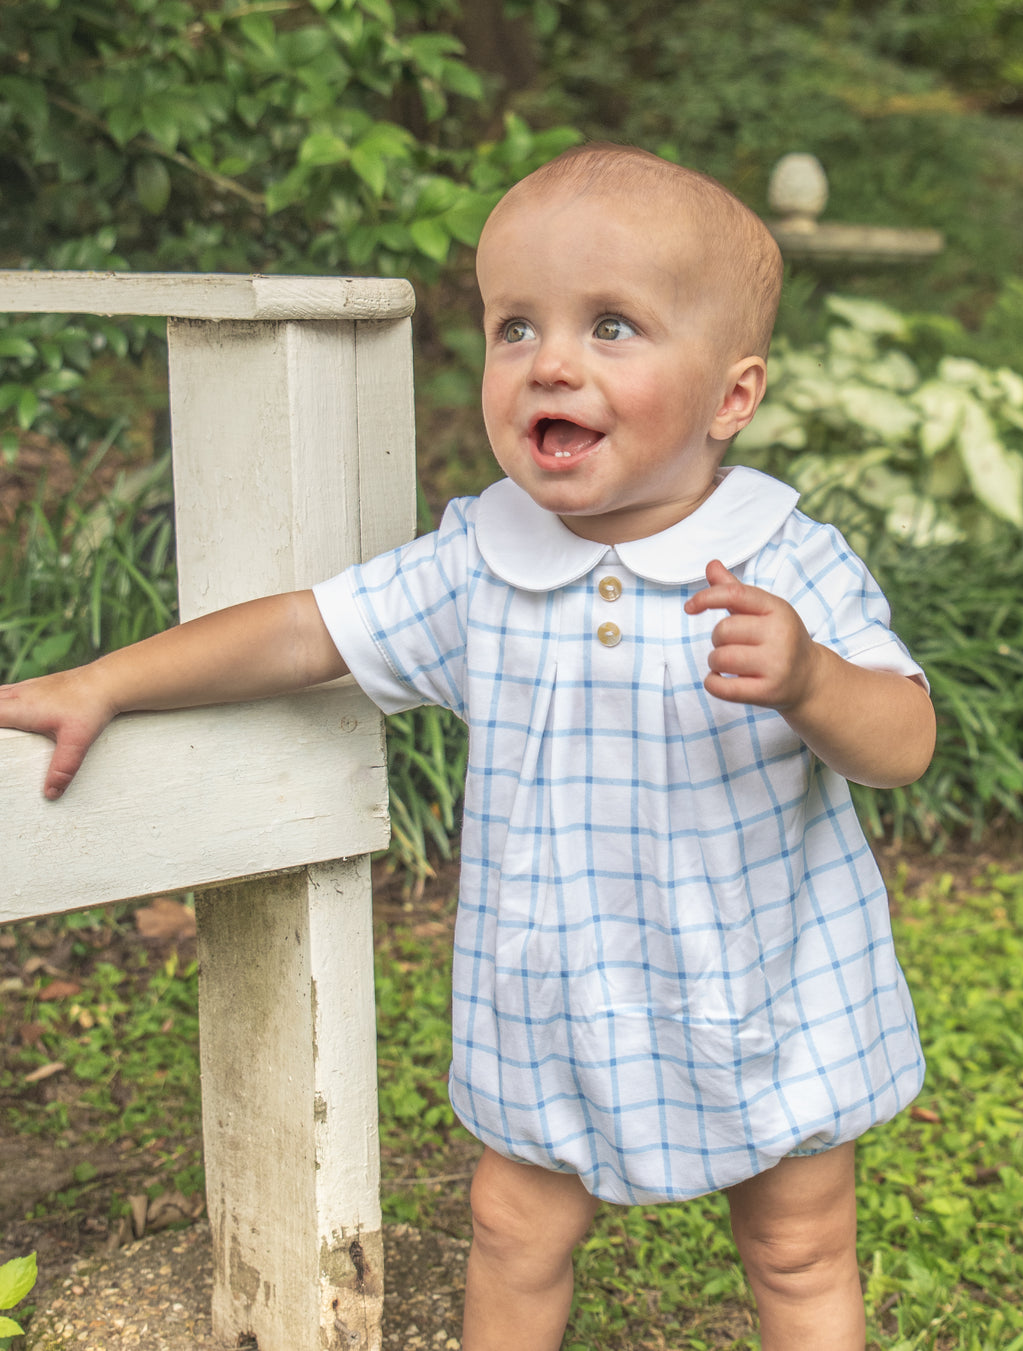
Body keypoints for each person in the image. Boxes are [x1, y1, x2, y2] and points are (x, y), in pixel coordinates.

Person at [0, 143, 936, 1350]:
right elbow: (302, 632)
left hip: (761, 990)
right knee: (511, 1229)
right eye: (513, 327)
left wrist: (812, 678)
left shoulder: (783, 560)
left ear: (732, 396)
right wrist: (105, 681)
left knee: (799, 1247)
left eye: (612, 327)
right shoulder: (482, 566)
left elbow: (902, 740)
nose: (549, 360)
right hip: (552, 1002)